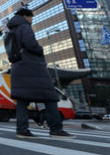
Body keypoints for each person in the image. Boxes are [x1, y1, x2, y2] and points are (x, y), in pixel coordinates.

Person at [8, 8, 75, 139]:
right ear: (25, 16)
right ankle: (56, 129)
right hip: (32, 67)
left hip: (18, 67)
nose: (31, 20)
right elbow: (30, 44)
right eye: (30, 17)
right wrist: (40, 49)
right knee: (50, 96)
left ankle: (22, 129)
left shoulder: (12, 30)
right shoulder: (24, 26)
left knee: (22, 99)